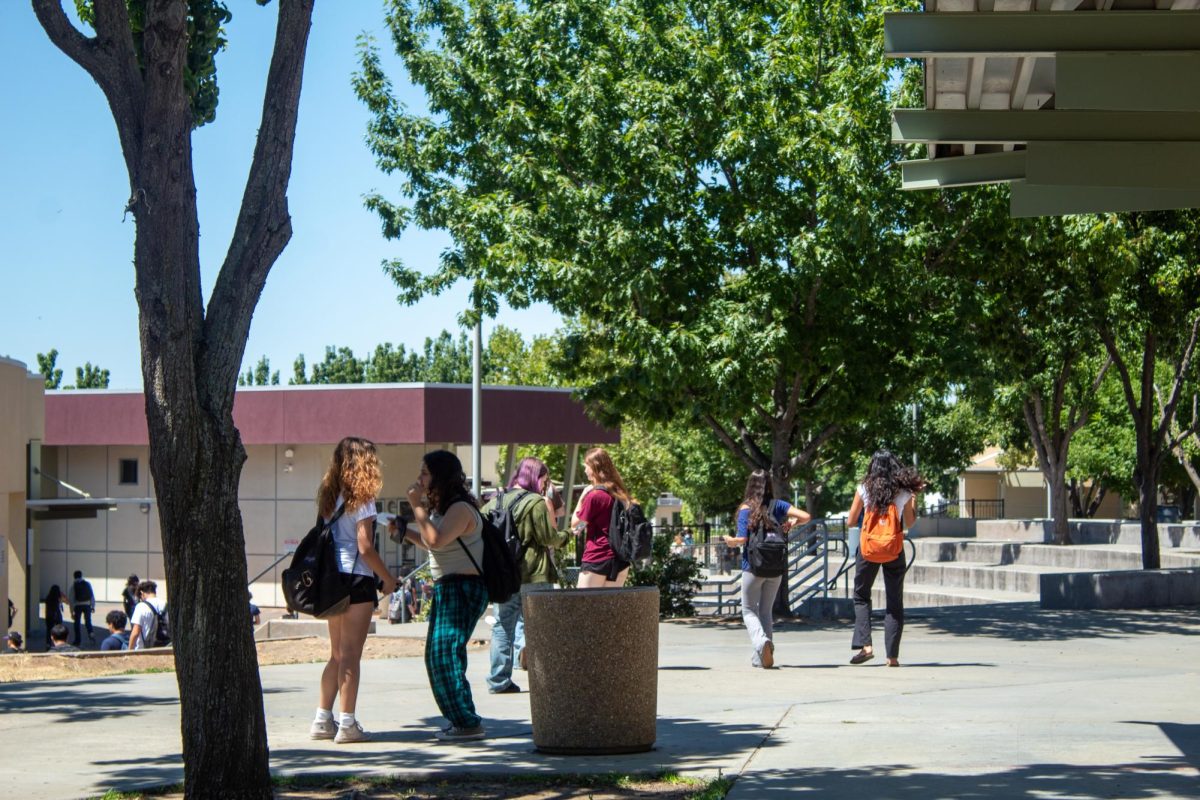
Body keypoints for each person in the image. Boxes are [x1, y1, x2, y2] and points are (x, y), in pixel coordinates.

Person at [308, 437, 399, 745]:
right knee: (351, 656)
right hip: (357, 579)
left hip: (331, 579)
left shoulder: (329, 497)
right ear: (365, 463)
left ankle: (323, 719)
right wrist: (386, 577)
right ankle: (347, 724)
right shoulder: (364, 499)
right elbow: (366, 547)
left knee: (335, 654)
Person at [395, 449, 489, 742]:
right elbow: (433, 542)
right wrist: (404, 531)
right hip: (448, 586)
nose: (419, 479)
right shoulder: (446, 510)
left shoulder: (460, 508)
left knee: (443, 654)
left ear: (440, 476)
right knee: (442, 654)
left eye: (424, 473)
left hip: (463, 586)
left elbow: (435, 540)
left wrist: (415, 505)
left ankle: (467, 721)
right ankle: (462, 718)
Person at [482, 457, 570, 694]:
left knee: (502, 626)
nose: (545, 484)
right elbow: (547, 538)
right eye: (544, 478)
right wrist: (567, 535)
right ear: (535, 476)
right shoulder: (535, 503)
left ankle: (498, 680)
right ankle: (543, 680)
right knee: (540, 626)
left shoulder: (493, 501)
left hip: (505, 576)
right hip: (534, 575)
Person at [724, 470, 811, 669]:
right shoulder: (778, 505)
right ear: (769, 485)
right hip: (776, 568)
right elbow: (806, 516)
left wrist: (730, 541)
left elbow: (742, 539)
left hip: (752, 567)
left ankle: (762, 643)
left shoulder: (746, 508)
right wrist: (792, 523)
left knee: (747, 610)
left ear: (751, 485)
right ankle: (761, 657)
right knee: (765, 611)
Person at [848, 449, 918, 668]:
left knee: (861, 595)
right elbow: (910, 523)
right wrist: (913, 499)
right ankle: (892, 657)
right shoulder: (903, 492)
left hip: (868, 549)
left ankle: (865, 645)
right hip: (894, 549)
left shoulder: (864, 489)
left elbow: (851, 521)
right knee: (894, 602)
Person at [571, 447, 634, 588]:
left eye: (586, 466)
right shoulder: (620, 493)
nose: (585, 470)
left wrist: (582, 497)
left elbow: (576, 527)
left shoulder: (594, 496)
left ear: (594, 467)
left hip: (597, 559)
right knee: (609, 609)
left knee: (584, 607)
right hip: (620, 560)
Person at [129, 580, 167, 651]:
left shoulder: (141, 606)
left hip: (145, 650)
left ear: (142, 593)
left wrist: (129, 650)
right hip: (164, 647)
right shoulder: (165, 604)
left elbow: (135, 632)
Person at [68, 570, 96, 645]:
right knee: (88, 622)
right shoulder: (87, 584)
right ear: (81, 575)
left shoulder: (73, 586)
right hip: (87, 605)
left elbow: (71, 600)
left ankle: (77, 640)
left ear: (74, 576)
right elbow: (92, 595)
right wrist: (93, 606)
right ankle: (91, 635)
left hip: (78, 606)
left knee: (77, 623)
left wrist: (71, 612)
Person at [43, 584, 67, 649]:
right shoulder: (58, 598)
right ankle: (59, 643)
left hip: (49, 616)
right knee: (59, 630)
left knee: (49, 631)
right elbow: (66, 600)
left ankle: (48, 643)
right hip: (57, 616)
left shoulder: (48, 597)